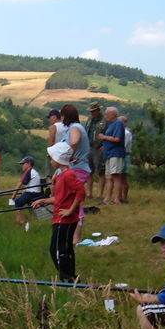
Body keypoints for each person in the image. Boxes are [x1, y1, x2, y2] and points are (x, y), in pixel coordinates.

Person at [32, 142, 86, 283]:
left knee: (57, 250)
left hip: (65, 220)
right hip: (61, 218)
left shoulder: (68, 175)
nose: (51, 160)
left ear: (58, 159)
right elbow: (60, 198)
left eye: (52, 158)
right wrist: (43, 201)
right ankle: (71, 278)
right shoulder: (62, 176)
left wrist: (70, 210)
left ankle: (68, 278)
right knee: (65, 249)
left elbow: (81, 192)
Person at [60, 104, 91, 243]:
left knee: (75, 201)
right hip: (77, 167)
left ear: (66, 116)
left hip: (78, 167)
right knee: (75, 201)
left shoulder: (74, 128)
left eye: (62, 115)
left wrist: (65, 156)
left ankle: (76, 237)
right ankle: (75, 235)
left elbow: (74, 142)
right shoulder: (75, 127)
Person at [98, 106, 125, 205]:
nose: (105, 116)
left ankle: (117, 198)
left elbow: (117, 139)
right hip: (109, 153)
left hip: (115, 153)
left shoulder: (118, 123)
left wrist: (104, 137)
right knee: (109, 176)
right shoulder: (112, 124)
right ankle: (107, 198)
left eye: (107, 114)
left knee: (115, 176)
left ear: (113, 114)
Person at [10, 155, 43, 227]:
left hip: (32, 193)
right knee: (19, 202)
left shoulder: (29, 171)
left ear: (29, 164)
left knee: (17, 202)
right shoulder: (33, 171)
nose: (22, 165)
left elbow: (20, 184)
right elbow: (29, 184)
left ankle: (23, 222)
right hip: (35, 192)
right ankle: (18, 222)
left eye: (23, 164)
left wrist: (13, 195)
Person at [85, 102, 106, 199]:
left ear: (98, 110)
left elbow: (108, 133)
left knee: (101, 172)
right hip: (89, 147)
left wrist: (105, 145)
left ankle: (100, 194)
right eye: (91, 111)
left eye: (93, 111)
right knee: (89, 171)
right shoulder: (89, 120)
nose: (92, 113)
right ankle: (89, 193)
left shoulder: (105, 120)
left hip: (99, 148)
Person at [46, 109, 67, 176]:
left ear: (54, 117)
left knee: (52, 175)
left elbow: (51, 142)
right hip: (65, 153)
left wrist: (49, 152)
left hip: (55, 154)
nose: (49, 120)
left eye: (50, 117)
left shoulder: (53, 127)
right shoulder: (66, 126)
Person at [119, 115, 132, 203]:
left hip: (124, 155)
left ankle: (124, 197)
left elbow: (123, 146)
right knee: (120, 178)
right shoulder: (122, 132)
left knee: (123, 178)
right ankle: (120, 197)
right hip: (121, 155)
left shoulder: (126, 133)